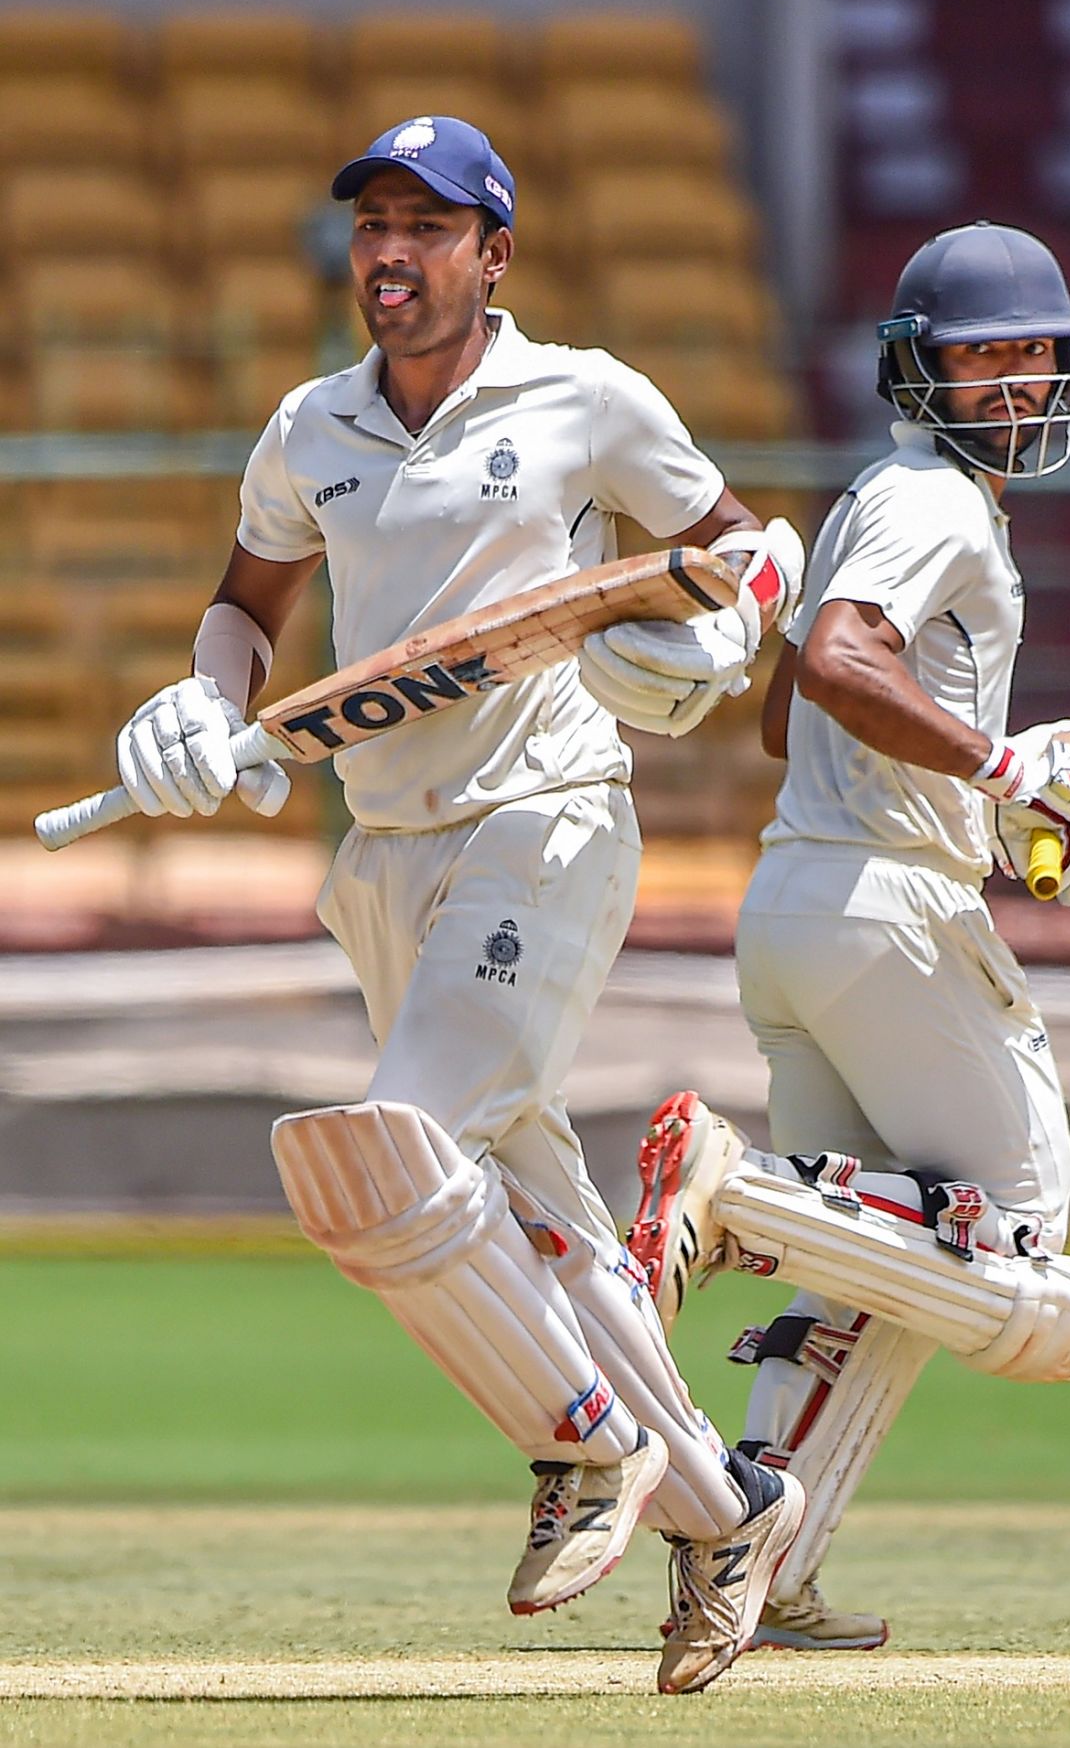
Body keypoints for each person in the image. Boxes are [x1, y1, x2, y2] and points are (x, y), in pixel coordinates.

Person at [112, 114, 808, 1698]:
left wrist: (713, 643)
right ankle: (728, 1510)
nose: (393, 252)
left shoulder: (587, 399)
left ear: (495, 254)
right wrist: (204, 704)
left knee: (386, 1159)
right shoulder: (312, 427)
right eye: (373, 223)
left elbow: (740, 556)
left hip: (546, 824)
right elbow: (245, 607)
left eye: (430, 226)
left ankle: (579, 1448)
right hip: (387, 852)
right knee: (548, 1225)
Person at [622, 221, 1070, 1650]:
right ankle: (727, 1189)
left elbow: (788, 707)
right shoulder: (933, 501)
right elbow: (844, 662)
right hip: (881, 906)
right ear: (916, 371)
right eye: (980, 353)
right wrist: (999, 773)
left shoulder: (890, 498)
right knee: (1020, 1213)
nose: (1015, 378)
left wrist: (1015, 804)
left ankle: (752, 1553)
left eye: (1034, 352)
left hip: (805, 902)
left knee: (869, 1267)